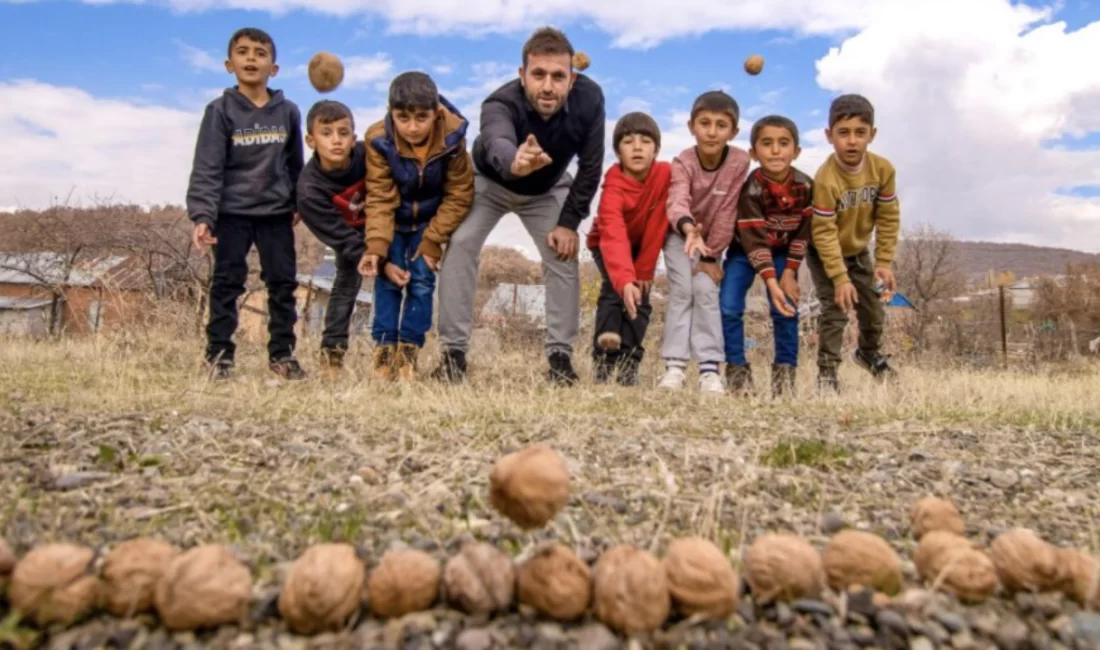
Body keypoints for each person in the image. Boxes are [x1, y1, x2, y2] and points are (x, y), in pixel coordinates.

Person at [432, 26, 606, 386]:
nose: (547, 85)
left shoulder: (590, 100)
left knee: (562, 251)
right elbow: (496, 138)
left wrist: (569, 223)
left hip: (548, 188)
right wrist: (515, 160)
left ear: (572, 79)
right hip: (490, 181)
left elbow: (590, 167)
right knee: (461, 242)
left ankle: (560, 357)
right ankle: (453, 354)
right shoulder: (499, 103)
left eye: (558, 76)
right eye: (538, 74)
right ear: (521, 74)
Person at [186, 27, 305, 381]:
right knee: (227, 283)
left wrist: (298, 200)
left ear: (274, 68)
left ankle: (282, 355)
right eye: (243, 52)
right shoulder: (220, 111)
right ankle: (219, 356)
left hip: (275, 215)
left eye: (260, 53)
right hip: (231, 213)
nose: (251, 58)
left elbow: (295, 163)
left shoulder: (288, 112)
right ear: (229, 64)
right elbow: (208, 166)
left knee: (283, 285)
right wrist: (203, 215)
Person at [358, 71, 474, 382]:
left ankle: (409, 351)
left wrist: (434, 240)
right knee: (388, 281)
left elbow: (460, 192)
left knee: (421, 283)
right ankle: (384, 351)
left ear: (436, 113)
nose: (411, 127)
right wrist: (377, 247)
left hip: (431, 221)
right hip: (393, 219)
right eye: (402, 117)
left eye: (421, 117)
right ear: (390, 112)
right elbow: (380, 195)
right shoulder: (378, 140)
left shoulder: (453, 138)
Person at [807, 93, 901, 392]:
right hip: (826, 255)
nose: (852, 141)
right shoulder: (826, 178)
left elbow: (888, 216)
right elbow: (823, 231)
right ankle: (827, 373)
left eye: (860, 133)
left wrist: (884, 261)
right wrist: (839, 278)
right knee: (835, 311)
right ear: (829, 136)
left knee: (873, 308)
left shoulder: (883, 170)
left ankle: (868, 353)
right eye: (843, 133)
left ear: (871, 135)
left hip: (859, 251)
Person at [661, 90, 751, 394]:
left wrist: (712, 256)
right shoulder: (683, 161)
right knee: (683, 291)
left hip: (713, 243)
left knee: (705, 291)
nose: (712, 132)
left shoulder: (739, 161)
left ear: (733, 131)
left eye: (721, 125)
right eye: (705, 123)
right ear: (691, 126)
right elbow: (676, 201)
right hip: (679, 235)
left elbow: (728, 211)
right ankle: (674, 366)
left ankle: (709, 368)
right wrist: (688, 229)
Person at [720, 115, 812, 397]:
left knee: (785, 308)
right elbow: (755, 240)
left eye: (783, 144)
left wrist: (788, 274)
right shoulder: (752, 188)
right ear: (753, 153)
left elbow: (803, 233)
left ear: (796, 151)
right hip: (745, 251)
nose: (775, 150)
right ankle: (738, 374)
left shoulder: (806, 186)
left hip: (784, 252)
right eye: (767, 143)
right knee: (728, 306)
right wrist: (771, 281)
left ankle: (784, 378)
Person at [586, 112, 670, 386]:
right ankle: (603, 358)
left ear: (656, 149)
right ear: (618, 150)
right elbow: (613, 234)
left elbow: (659, 224)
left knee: (641, 299)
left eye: (645, 141)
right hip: (607, 244)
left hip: (643, 248)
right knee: (614, 289)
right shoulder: (612, 187)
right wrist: (625, 280)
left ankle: (629, 363)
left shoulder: (664, 175)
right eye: (628, 141)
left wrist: (644, 270)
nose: (637, 147)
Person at [295, 99, 367, 371]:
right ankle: (332, 355)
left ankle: (392, 349)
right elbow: (341, 239)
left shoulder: (368, 156)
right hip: (347, 235)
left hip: (383, 225)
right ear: (311, 140)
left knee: (399, 282)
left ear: (354, 138)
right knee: (347, 282)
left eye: (343, 132)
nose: (336, 141)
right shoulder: (310, 190)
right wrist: (371, 257)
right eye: (326, 134)